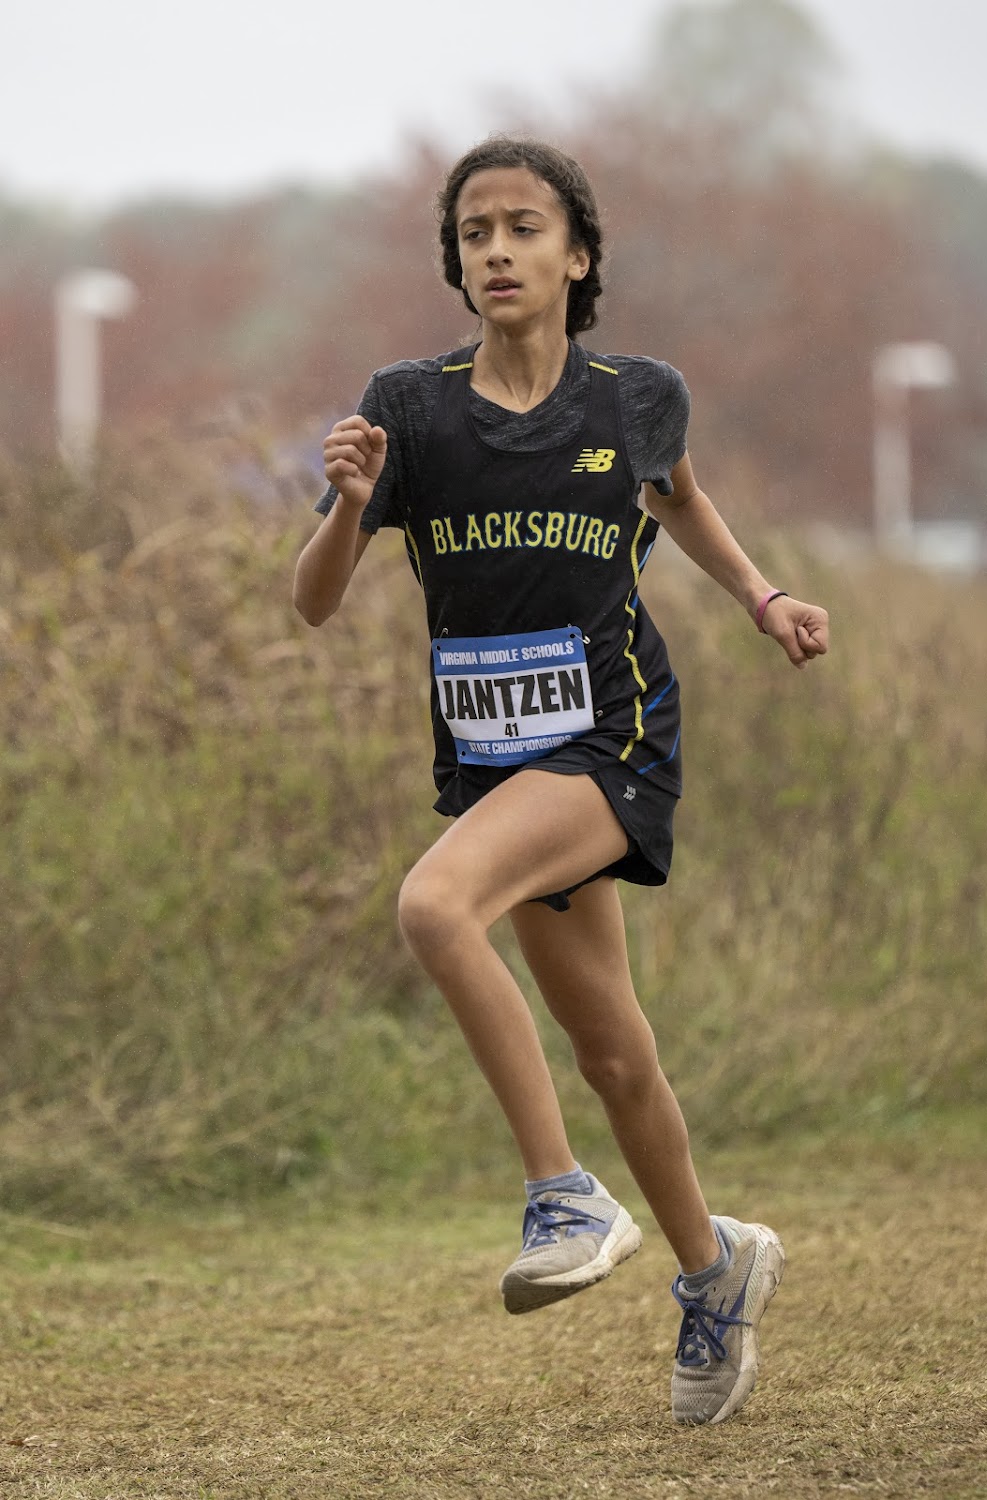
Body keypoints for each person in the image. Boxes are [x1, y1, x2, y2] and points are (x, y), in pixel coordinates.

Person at [293, 135, 829, 1426]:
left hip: (612, 736)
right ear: (456, 262)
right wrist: (347, 503)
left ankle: (563, 1196)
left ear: (577, 255)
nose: (497, 251)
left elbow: (677, 498)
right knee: (613, 1053)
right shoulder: (409, 408)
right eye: (474, 233)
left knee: (435, 906)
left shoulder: (638, 396)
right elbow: (313, 604)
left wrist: (762, 597)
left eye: (523, 228)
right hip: (495, 760)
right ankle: (714, 1267)